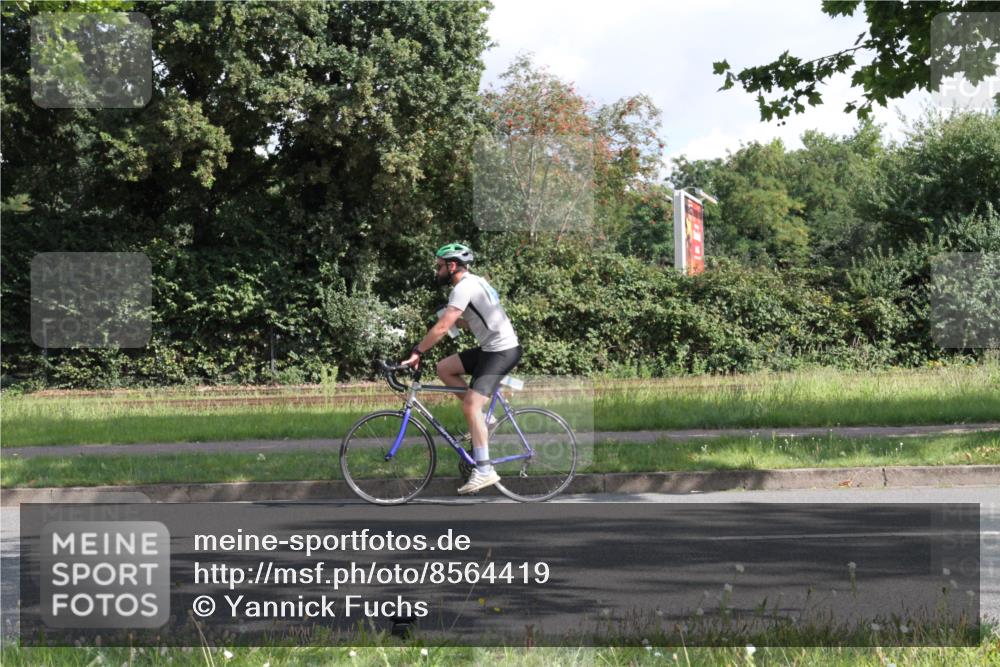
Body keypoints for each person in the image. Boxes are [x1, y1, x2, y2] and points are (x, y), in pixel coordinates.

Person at [400, 243, 522, 494]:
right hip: (493, 348)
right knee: (444, 368)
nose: (437, 271)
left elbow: (443, 328)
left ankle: (485, 470)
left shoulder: (463, 288)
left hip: (501, 351)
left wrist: (417, 351)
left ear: (452, 265)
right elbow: (477, 320)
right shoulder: (473, 282)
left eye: (439, 266)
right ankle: (486, 421)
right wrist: (454, 321)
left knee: (470, 406)